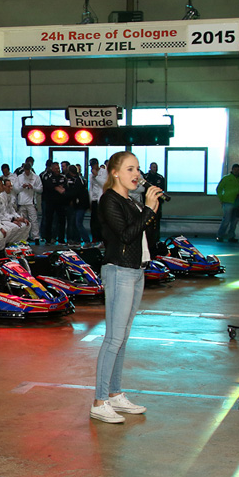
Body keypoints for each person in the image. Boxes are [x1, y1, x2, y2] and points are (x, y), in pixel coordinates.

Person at [91, 151, 161, 424]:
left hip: (136, 271)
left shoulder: (130, 201)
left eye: (138, 169)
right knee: (113, 338)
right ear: (115, 172)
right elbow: (126, 235)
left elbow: (147, 235)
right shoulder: (109, 200)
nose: (137, 174)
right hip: (119, 271)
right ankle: (99, 400)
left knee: (122, 337)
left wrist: (151, 209)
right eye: (130, 169)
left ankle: (115, 393)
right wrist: (148, 209)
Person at [216, 164, 239, 242]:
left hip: (237, 203)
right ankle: (220, 235)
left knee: (234, 221)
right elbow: (219, 188)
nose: (236, 171)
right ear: (232, 169)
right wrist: (222, 198)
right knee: (226, 220)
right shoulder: (226, 178)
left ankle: (231, 236)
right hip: (227, 202)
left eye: (237, 169)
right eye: (235, 169)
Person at [14, 164, 41, 244]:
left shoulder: (36, 177)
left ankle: (36, 237)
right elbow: (15, 189)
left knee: (34, 220)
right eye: (26, 170)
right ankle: (24, 237)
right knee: (23, 220)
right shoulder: (19, 177)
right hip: (22, 202)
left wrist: (33, 187)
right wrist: (22, 187)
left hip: (31, 202)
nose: (27, 172)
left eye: (28, 170)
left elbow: (40, 189)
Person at [144, 162, 166, 245]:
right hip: (147, 202)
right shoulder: (146, 177)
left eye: (156, 167)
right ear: (150, 167)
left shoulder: (160, 177)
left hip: (157, 202)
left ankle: (156, 238)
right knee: (148, 219)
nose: (155, 168)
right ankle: (147, 237)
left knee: (157, 220)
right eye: (153, 167)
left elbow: (162, 189)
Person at [89, 159, 106, 244]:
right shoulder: (91, 175)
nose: (93, 167)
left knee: (100, 220)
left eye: (94, 165)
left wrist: (97, 176)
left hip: (101, 199)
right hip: (94, 199)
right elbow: (91, 188)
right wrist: (91, 200)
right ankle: (94, 237)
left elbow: (104, 185)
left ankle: (101, 239)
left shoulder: (104, 172)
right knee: (93, 221)